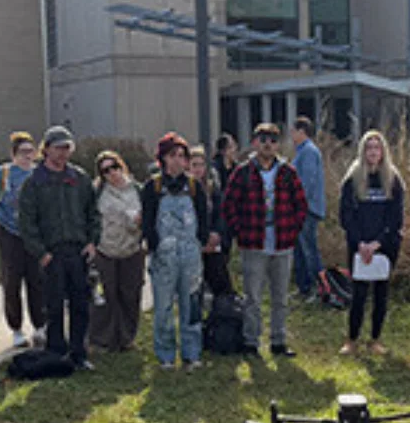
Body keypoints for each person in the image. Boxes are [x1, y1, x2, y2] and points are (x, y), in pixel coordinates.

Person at [218, 122, 308, 356]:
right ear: (255, 143)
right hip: (253, 244)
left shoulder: (288, 173)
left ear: (279, 144)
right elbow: (228, 206)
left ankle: (278, 341)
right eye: (263, 139)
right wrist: (240, 231)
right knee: (253, 299)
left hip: (282, 243)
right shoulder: (243, 172)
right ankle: (251, 342)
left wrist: (292, 231)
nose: (268, 144)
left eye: (273, 140)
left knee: (280, 298)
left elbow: (301, 206)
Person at [17, 126, 101, 368]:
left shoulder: (80, 179)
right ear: (46, 150)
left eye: (67, 147)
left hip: (78, 251)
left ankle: (79, 353)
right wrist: (40, 252)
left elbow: (93, 214)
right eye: (58, 147)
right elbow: (27, 222)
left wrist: (92, 241)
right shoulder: (34, 182)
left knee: (80, 304)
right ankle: (56, 352)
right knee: (53, 306)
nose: (63, 152)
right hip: (51, 253)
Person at [141, 133, 216, 369]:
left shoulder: (194, 187)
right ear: (162, 158)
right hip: (164, 256)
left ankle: (191, 354)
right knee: (163, 309)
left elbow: (204, 218)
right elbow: (147, 222)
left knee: (192, 305)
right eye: (172, 155)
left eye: (182, 156)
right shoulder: (152, 187)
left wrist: (201, 241)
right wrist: (154, 246)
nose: (177, 160)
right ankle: (165, 356)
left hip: (190, 255)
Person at [0, 133, 49, 350]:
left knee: (37, 281)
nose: (27, 156)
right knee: (12, 281)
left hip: (34, 234)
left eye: (30, 151)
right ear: (13, 154)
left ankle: (40, 326)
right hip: (9, 233)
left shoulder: (39, 174)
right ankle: (16, 328)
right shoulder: (4, 173)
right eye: (22, 152)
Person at [337, 130, 406, 355]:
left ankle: (375, 339)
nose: (373, 152)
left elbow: (396, 218)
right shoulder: (353, 178)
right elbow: (346, 215)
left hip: (385, 245)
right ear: (363, 151)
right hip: (358, 244)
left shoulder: (393, 180)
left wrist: (377, 243)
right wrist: (360, 243)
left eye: (377, 147)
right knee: (358, 293)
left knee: (381, 293)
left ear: (383, 151)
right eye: (369, 147)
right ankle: (352, 339)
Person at [89, 151, 146, 354]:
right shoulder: (98, 192)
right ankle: (103, 340)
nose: (112, 172)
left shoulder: (138, 189)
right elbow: (91, 218)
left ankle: (127, 337)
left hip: (132, 249)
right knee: (107, 297)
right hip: (106, 250)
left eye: (115, 167)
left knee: (130, 295)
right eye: (106, 170)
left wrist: (142, 223)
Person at [290, 117, 327, 302]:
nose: (291, 134)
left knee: (309, 249)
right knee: (299, 249)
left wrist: (298, 203)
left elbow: (307, 181)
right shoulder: (301, 152)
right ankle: (303, 287)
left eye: (293, 131)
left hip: (307, 209)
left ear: (302, 131)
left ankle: (318, 288)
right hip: (300, 210)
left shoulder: (309, 152)